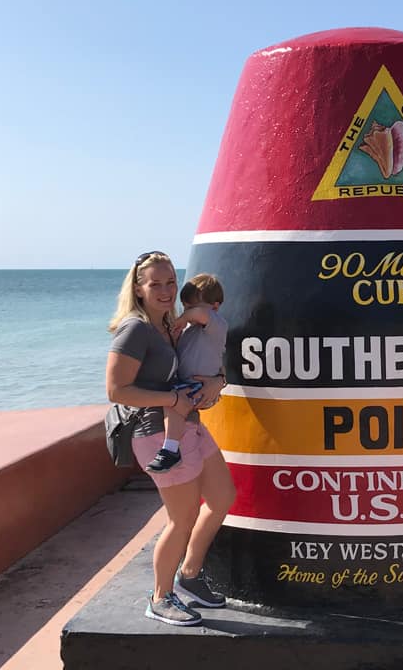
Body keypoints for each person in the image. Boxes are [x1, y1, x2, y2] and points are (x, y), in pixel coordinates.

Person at [106, 251, 236, 626]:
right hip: (156, 432)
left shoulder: (168, 326)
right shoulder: (136, 329)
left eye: (170, 282)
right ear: (138, 287)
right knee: (182, 519)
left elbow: (205, 361)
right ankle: (161, 597)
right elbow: (117, 390)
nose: (164, 290)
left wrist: (217, 381)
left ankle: (190, 577)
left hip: (189, 424)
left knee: (222, 497)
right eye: (155, 284)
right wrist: (172, 398)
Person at [145, 273, 228, 474]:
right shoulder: (193, 332)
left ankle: (170, 450)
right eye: (184, 307)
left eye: (191, 308)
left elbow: (201, 314)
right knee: (173, 405)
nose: (187, 312)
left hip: (200, 387)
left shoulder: (217, 325)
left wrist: (184, 318)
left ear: (215, 307)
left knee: (175, 405)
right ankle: (172, 446)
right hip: (190, 384)